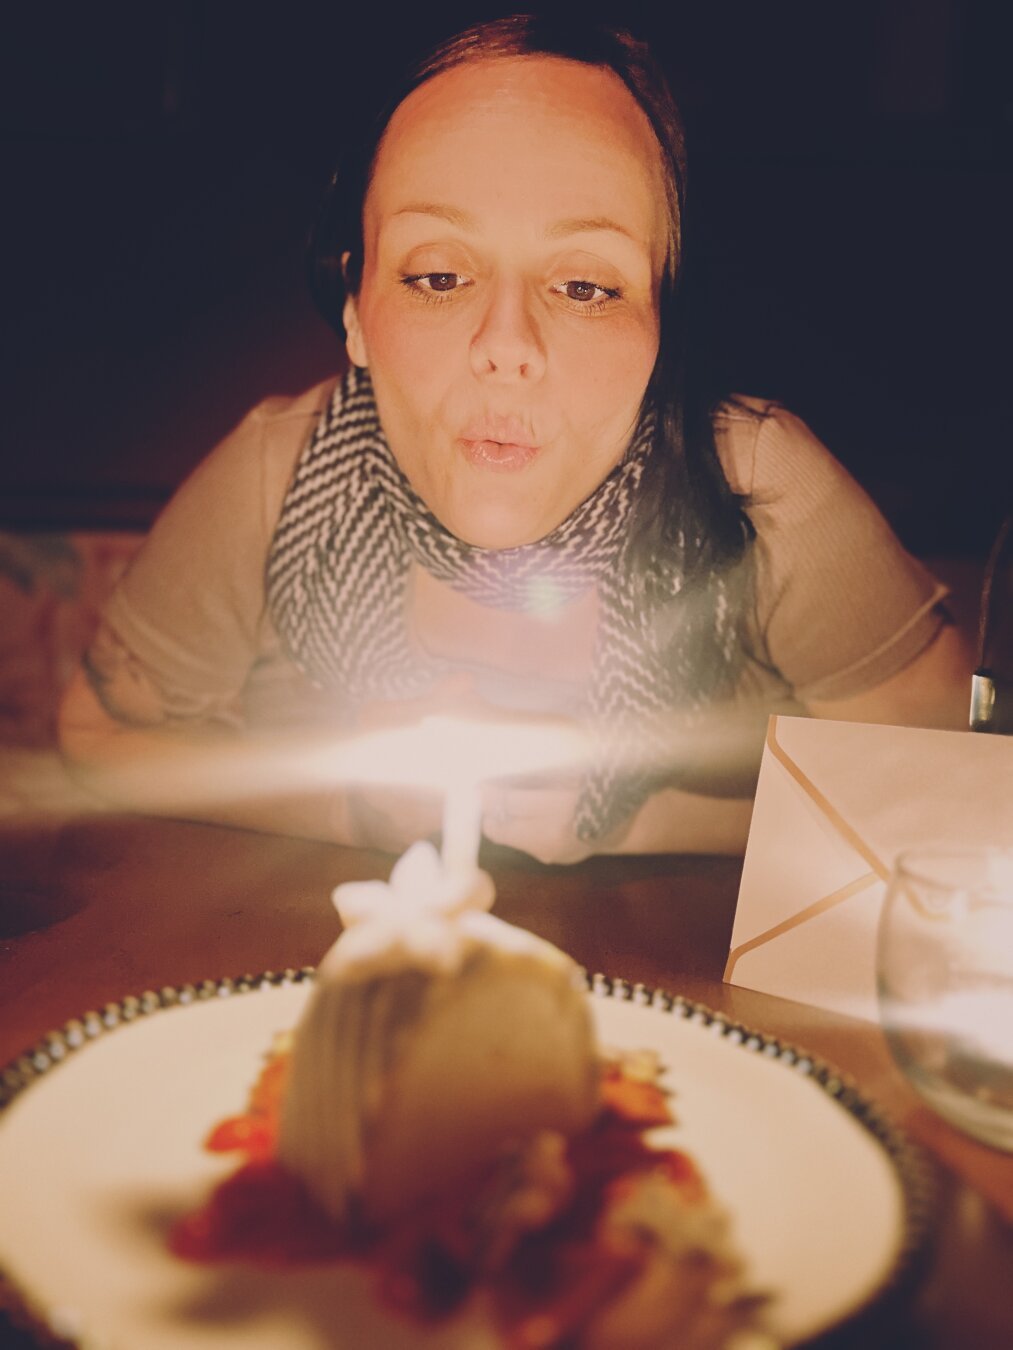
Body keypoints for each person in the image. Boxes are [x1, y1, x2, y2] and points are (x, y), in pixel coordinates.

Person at [58, 14, 971, 863]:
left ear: (661, 326)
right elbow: (102, 735)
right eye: (439, 274)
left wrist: (633, 824)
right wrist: (355, 810)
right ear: (354, 310)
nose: (506, 348)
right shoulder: (278, 473)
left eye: (584, 287)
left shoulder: (758, 485)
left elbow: (946, 790)